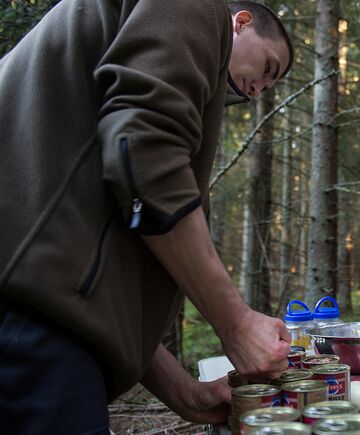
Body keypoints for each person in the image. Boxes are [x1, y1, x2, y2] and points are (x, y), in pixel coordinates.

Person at [0, 0, 294, 432]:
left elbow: (80, 286)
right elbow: (145, 156)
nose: (260, 90)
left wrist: (183, 393)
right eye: (268, 68)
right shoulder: (195, 6)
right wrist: (237, 324)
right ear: (241, 22)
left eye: (270, 87)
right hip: (30, 334)